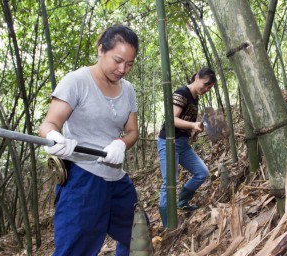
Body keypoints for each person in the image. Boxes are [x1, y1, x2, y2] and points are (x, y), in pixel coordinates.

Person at [38, 24, 139, 256]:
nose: (123, 69)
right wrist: (55, 137)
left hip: (116, 178)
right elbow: (48, 124)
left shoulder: (129, 90)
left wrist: (121, 143)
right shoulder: (77, 81)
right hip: (82, 179)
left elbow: (132, 131)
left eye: (130, 64)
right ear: (101, 50)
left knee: (138, 236)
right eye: (118, 60)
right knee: (75, 249)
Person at [157, 67, 216, 227]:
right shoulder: (182, 93)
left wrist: (195, 131)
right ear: (196, 77)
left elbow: (187, 124)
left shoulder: (195, 98)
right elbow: (171, 119)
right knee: (169, 181)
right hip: (169, 142)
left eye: (209, 88)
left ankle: (182, 202)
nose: (205, 89)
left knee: (201, 172)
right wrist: (192, 124)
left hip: (182, 142)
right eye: (205, 85)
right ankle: (168, 223)